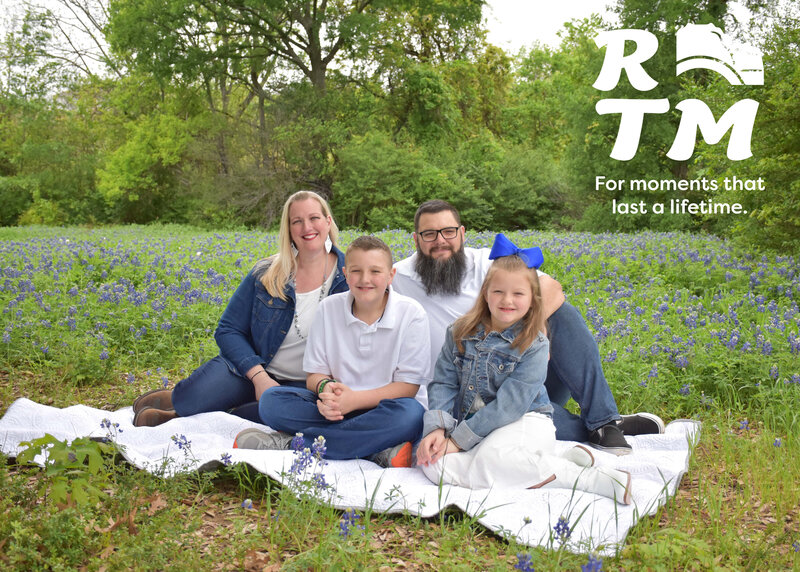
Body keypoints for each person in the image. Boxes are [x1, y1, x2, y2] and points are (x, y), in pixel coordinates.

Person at [393, 200, 664, 455]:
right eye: (429, 234)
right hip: (466, 395)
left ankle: (603, 420)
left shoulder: (488, 262)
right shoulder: (397, 278)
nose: (440, 240)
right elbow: (358, 288)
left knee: (563, 315)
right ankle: (602, 425)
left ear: (462, 233)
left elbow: (551, 288)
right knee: (532, 420)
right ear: (416, 239)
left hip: (520, 372)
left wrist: (533, 329)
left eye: (448, 231)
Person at [416, 235, 632, 504]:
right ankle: (555, 461)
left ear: (532, 299)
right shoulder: (459, 332)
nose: (507, 300)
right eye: (498, 292)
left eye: (518, 294)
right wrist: (437, 430)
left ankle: (589, 479)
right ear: (485, 293)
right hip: (473, 424)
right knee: (431, 464)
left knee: (489, 458)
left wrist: (458, 442)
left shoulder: (536, 343)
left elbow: (510, 406)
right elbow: (444, 383)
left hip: (525, 421)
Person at [131, 190, 348, 427]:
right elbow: (228, 329)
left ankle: (208, 412)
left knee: (265, 414)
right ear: (288, 230)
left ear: (328, 222)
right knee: (191, 397)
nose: (307, 227)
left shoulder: (352, 275)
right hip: (252, 369)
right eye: (297, 221)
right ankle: (178, 401)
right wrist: (259, 378)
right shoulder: (267, 272)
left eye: (314, 218)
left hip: (307, 384)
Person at [234, 236, 430, 467]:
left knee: (412, 416)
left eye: (375, 271)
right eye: (356, 271)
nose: (365, 279)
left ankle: (292, 445)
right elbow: (315, 376)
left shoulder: (412, 314)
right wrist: (327, 390)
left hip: (387, 408)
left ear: (391, 275)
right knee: (271, 401)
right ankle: (375, 449)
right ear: (346, 274)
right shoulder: (328, 308)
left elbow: (408, 387)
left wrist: (354, 400)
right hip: (336, 410)